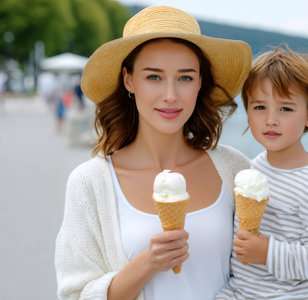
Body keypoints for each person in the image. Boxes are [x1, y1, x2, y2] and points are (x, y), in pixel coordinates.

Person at [55, 6, 252, 300]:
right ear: (129, 81)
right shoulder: (90, 183)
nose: (170, 95)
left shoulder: (235, 168)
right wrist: (146, 264)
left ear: (200, 82)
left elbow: (260, 279)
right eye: (154, 77)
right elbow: (75, 294)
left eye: (185, 78)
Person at [216, 44, 308, 300]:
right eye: (259, 107)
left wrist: (268, 251)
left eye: (285, 108)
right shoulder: (255, 166)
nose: (270, 119)